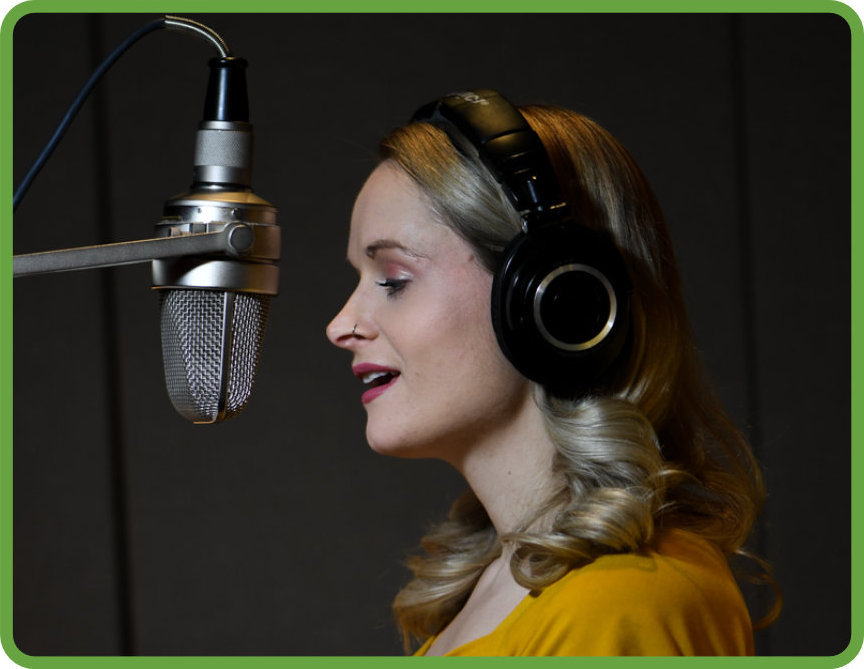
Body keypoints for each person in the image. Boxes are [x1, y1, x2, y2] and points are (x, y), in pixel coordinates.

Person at [325, 90, 778, 656]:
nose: (340, 325)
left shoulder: (624, 605)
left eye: (393, 278)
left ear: (555, 297)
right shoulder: (495, 598)